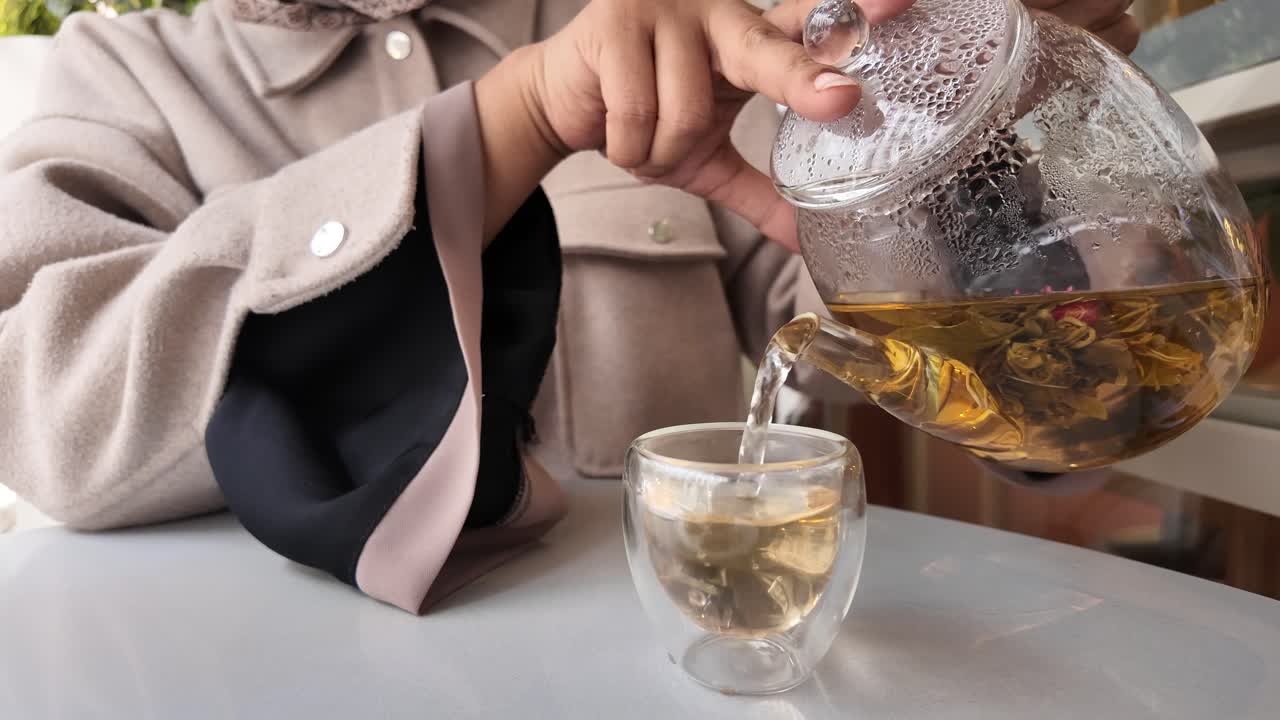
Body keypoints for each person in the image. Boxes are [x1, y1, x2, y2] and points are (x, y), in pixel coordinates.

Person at [0, 0, 1139, 613]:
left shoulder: (671, 30)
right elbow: (51, 419)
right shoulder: (123, 70)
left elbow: (1019, 389)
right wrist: (508, 121)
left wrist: (982, 116)